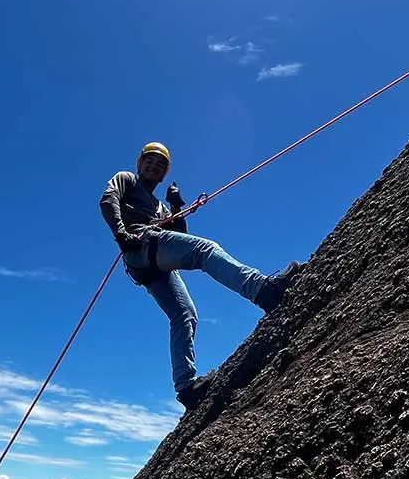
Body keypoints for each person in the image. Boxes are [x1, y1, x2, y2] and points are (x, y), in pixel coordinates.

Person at [100, 141, 300, 410]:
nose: (153, 166)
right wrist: (121, 233)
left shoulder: (160, 207)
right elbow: (108, 200)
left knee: (185, 314)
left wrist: (174, 204)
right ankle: (263, 290)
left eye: (160, 164)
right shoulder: (126, 179)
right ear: (139, 163)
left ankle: (186, 388)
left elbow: (180, 237)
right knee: (205, 250)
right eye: (149, 160)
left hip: (148, 262)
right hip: (141, 245)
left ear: (164, 173)